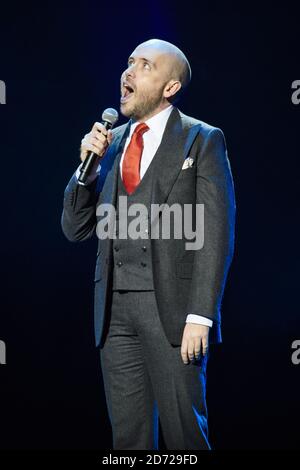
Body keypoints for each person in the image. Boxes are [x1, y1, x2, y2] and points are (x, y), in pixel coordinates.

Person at [61, 38, 236, 450]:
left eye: (144, 65)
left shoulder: (202, 139)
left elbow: (216, 233)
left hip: (173, 312)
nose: (129, 72)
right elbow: (75, 228)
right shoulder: (112, 141)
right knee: (128, 440)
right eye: (128, 63)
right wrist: (85, 172)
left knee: (185, 435)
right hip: (114, 314)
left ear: (169, 87)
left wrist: (202, 315)